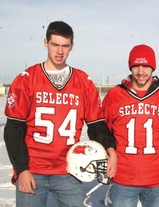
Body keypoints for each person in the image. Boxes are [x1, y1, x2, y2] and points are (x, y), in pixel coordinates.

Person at [4, 21, 117, 207]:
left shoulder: (83, 82)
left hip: (69, 171)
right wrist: (22, 169)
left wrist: (111, 150)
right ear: (45, 43)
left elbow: (96, 125)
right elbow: (13, 129)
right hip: (33, 170)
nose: (59, 51)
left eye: (65, 46)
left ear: (72, 46)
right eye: (55, 44)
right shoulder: (27, 79)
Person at [102, 44, 159, 207]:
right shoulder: (115, 95)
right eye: (136, 66)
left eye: (145, 66)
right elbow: (105, 130)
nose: (141, 72)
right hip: (123, 178)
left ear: (153, 67)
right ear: (130, 67)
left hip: (157, 179)